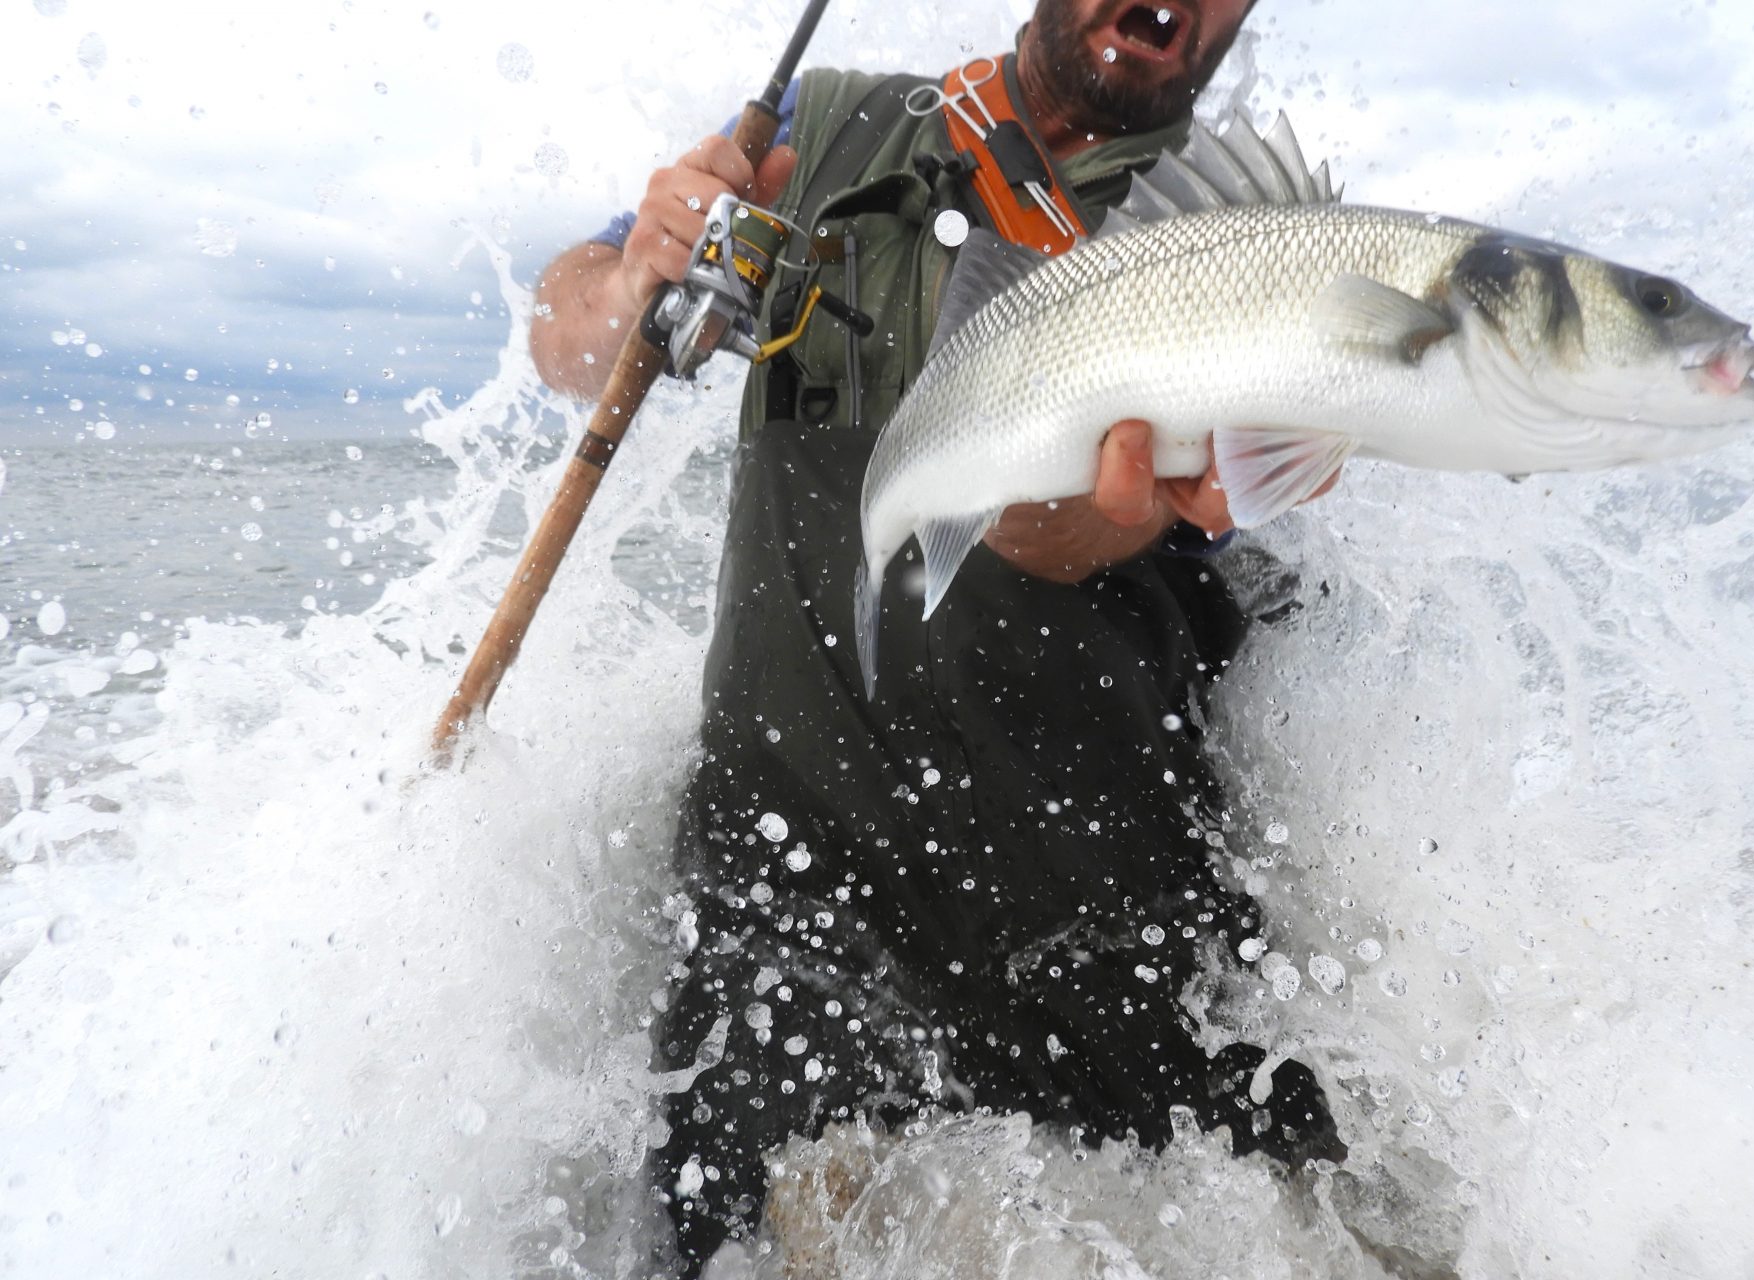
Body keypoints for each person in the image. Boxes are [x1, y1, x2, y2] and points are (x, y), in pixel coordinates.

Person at [532, 1, 1341, 1272]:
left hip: (1112, 932)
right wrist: (635, 276)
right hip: (788, 885)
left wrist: (1065, 503)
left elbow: (1055, 538)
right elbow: (561, 326)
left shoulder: (1255, 254)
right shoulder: (826, 126)